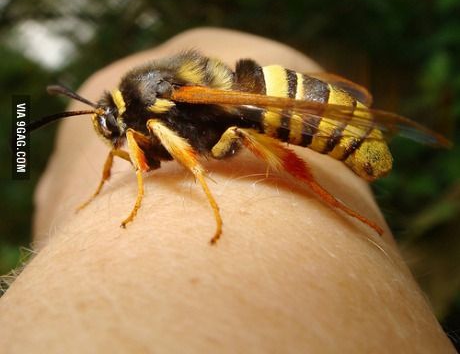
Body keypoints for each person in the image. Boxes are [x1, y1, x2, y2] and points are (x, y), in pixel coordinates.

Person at [0, 28, 454, 353]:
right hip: (257, 80)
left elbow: (167, 131)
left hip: (308, 112)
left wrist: (182, 192)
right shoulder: (142, 122)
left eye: (111, 125)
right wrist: (97, 189)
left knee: (245, 134)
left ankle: (328, 198)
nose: (114, 139)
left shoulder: (158, 111)